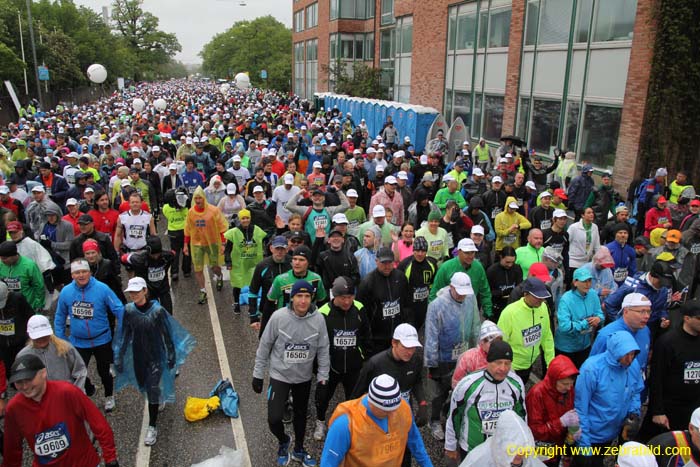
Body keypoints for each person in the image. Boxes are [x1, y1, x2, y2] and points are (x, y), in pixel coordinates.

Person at [252, 280, 330, 467]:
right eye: (299, 296)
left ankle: (299, 449)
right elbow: (264, 345)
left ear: (312, 298)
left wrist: (323, 379)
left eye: (307, 296)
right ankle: (283, 440)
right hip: (280, 375)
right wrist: (258, 374)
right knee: (274, 418)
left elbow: (323, 350)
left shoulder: (318, 319)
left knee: (301, 416)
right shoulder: (279, 317)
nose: (303, 301)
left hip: (303, 378)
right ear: (291, 297)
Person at [113, 277, 195, 446]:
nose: (134, 295)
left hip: (156, 356)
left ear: (145, 291)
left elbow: (167, 333)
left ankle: (152, 426)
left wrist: (172, 355)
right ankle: (157, 398)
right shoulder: (128, 310)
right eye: (131, 292)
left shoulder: (157, 311)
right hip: (139, 356)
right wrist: (119, 356)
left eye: (137, 291)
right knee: (143, 385)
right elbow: (125, 334)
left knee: (152, 388)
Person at [3, 354, 119, 467]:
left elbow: (98, 423)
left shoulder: (67, 392)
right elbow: (11, 450)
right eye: (19, 382)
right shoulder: (14, 408)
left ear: (43, 373)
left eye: (29, 379)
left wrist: (110, 458)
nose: (24, 386)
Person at [54, 259, 125, 410]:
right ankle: (87, 389)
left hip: (102, 340)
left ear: (90, 272)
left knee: (104, 372)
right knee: (77, 373)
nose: (81, 275)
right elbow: (59, 317)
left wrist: (123, 330)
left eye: (84, 271)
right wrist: (61, 340)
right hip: (78, 342)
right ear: (72, 275)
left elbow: (119, 308)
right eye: (77, 272)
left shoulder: (102, 288)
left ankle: (109, 396)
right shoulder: (66, 292)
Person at [321, 374, 434, 467]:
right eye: (386, 411)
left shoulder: (403, 409)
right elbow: (328, 462)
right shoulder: (345, 423)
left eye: (395, 408)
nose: (393, 414)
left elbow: (416, 443)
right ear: (371, 403)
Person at [445, 340, 526, 461]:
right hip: (472, 450)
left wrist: (522, 444)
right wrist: (450, 446)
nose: (503, 368)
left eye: (507, 363)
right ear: (488, 361)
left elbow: (522, 415)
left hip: (503, 449)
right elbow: (454, 416)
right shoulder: (468, 384)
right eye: (498, 363)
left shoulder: (516, 383)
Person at [424, 272, 481, 441]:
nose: (462, 296)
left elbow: (475, 325)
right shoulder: (437, 305)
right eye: (459, 292)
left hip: (464, 355)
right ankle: (434, 421)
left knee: (460, 390)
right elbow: (431, 335)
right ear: (451, 287)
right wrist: (431, 362)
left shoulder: (470, 299)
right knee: (438, 393)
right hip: (444, 357)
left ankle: (450, 416)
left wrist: (477, 350)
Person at [573, 331, 644, 467]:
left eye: (633, 354)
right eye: (626, 355)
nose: (630, 359)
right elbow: (580, 409)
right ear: (615, 352)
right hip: (592, 435)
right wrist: (584, 445)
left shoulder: (632, 365)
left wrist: (634, 413)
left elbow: (636, 390)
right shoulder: (591, 369)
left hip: (614, 431)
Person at [313, 277, 371, 441]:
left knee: (353, 399)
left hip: (353, 366)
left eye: (350, 297)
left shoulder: (359, 308)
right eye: (342, 297)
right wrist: (318, 367)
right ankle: (320, 421)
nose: (347, 301)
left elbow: (366, 334)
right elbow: (316, 342)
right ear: (334, 296)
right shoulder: (323, 312)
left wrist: (363, 356)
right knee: (323, 397)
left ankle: (350, 424)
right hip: (331, 367)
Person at [644, 299, 700, 439]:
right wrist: (657, 411)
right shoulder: (667, 342)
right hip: (670, 408)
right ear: (687, 318)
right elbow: (656, 377)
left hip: (694, 406)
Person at [357, 246, 412, 357]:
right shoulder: (368, 282)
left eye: (389, 262)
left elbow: (407, 304)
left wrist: (408, 324)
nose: (387, 266)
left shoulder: (401, 277)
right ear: (376, 261)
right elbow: (362, 314)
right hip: (377, 339)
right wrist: (367, 339)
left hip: (398, 335)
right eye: (383, 263)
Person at [498, 277, 555, 383]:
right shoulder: (509, 312)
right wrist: (505, 366)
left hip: (529, 364)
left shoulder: (543, 307)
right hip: (512, 367)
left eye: (543, 297)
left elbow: (547, 336)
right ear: (525, 294)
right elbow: (500, 343)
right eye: (537, 297)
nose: (541, 300)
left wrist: (550, 363)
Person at [526, 355, 580, 466]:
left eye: (571, 383)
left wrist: (574, 429)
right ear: (554, 380)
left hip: (560, 445)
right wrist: (560, 423)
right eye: (565, 384)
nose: (569, 388)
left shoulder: (568, 391)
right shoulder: (537, 394)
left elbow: (571, 413)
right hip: (542, 448)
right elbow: (535, 431)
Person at [263, 246, 327, 335]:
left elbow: (322, 304)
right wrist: (263, 332)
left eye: (301, 260)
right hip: (285, 324)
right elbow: (269, 306)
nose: (297, 263)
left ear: (308, 262)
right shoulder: (280, 280)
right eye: (295, 259)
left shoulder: (316, 279)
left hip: (309, 323)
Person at [183, 186, 228, 304]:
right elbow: (187, 229)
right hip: (196, 244)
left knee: (214, 266)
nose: (198, 201)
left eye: (200, 198)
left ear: (204, 198)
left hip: (212, 242)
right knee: (198, 268)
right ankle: (203, 290)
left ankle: (219, 276)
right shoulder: (191, 212)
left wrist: (223, 244)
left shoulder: (213, 211)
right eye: (196, 198)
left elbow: (222, 227)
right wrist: (185, 245)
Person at [17, 313, 87, 389]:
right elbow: (21, 381)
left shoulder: (65, 348)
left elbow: (80, 371)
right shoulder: (23, 355)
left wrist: (76, 392)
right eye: (37, 336)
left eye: (44, 335)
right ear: (29, 335)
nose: (41, 339)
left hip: (65, 394)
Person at [459, 409, 546, 467]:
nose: (520, 454)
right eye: (515, 449)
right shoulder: (478, 458)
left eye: (524, 449)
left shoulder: (529, 460)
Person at [554, 268, 604, 368]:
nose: (588, 284)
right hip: (566, 348)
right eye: (584, 281)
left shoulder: (593, 294)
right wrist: (585, 324)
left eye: (589, 281)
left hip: (585, 345)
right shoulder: (566, 299)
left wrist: (598, 319)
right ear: (575, 282)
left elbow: (600, 313)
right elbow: (564, 326)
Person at [224, 208, 267, 314]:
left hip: (253, 263)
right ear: (239, 219)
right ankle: (236, 303)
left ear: (250, 218)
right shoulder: (233, 233)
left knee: (254, 285)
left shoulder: (257, 230)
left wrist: (265, 255)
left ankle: (252, 307)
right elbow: (228, 249)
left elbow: (264, 242)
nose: (245, 220)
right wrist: (228, 262)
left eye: (247, 218)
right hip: (238, 263)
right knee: (237, 284)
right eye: (243, 218)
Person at [120, 236, 175, 314]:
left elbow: (173, 254)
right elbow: (123, 258)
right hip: (149, 290)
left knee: (168, 314)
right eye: (153, 255)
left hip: (163, 289)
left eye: (158, 254)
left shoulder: (167, 256)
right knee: (150, 314)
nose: (156, 257)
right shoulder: (140, 259)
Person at [248, 235, 291, 330]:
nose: (279, 251)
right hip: (268, 310)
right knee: (266, 341)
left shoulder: (293, 263)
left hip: (290, 312)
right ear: (271, 248)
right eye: (277, 248)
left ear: (287, 249)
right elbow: (253, 291)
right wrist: (254, 317)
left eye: (282, 248)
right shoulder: (262, 266)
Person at [396, 236, 437, 331]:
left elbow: (432, 285)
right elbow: (399, 287)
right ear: (413, 250)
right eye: (417, 251)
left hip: (424, 306)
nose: (420, 254)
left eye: (423, 251)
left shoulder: (432, 264)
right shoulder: (405, 265)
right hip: (409, 308)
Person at [0, 240, 45, 312]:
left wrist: (38, 306)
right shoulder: (1, 265)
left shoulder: (29, 266)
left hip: (27, 307)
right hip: (6, 308)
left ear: (14, 255)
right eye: (1, 258)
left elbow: (39, 287)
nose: (2, 261)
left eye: (4, 258)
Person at [487, 247, 523, 322]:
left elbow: (520, 287)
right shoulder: (492, 271)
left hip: (514, 307)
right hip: (497, 308)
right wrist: (502, 292)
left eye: (512, 262)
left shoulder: (517, 269)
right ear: (501, 257)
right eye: (507, 262)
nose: (510, 265)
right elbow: (487, 293)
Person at [162, 186, 191, 280]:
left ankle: (174, 272)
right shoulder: (185, 207)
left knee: (175, 252)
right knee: (186, 251)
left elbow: (166, 215)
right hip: (184, 231)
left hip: (172, 231)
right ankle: (186, 271)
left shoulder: (166, 208)